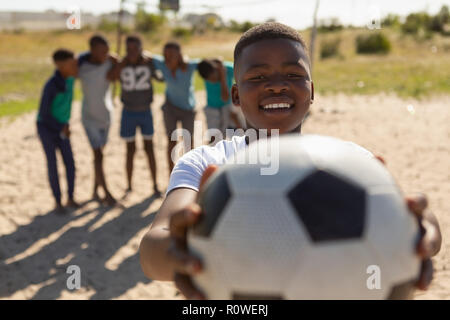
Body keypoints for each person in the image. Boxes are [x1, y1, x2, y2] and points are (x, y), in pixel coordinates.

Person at [139, 23, 442, 299]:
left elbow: (418, 219)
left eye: (293, 75)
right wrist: (178, 252)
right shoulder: (207, 162)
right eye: (257, 76)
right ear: (235, 94)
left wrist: (420, 228)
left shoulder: (349, 165)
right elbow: (153, 247)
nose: (276, 85)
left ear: (311, 91)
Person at [111, 35, 162, 197]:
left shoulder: (148, 63)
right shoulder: (122, 64)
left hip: (146, 111)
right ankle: (129, 185)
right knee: (130, 149)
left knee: (149, 148)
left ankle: (155, 185)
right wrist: (119, 64)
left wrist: (152, 60)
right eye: (129, 49)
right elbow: (112, 77)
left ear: (141, 48)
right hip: (128, 111)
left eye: (135, 49)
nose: (132, 52)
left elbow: (161, 78)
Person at [37, 49, 79, 212]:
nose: (76, 66)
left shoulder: (69, 78)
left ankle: (71, 197)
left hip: (63, 127)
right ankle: (58, 202)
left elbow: (83, 56)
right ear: (60, 65)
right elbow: (44, 113)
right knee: (53, 164)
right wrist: (62, 128)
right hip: (47, 128)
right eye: (72, 64)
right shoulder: (52, 86)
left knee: (70, 163)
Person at [78, 34, 117, 205]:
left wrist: (116, 60)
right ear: (92, 50)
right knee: (98, 154)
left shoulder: (110, 63)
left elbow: (119, 67)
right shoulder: (81, 65)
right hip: (89, 118)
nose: (105, 55)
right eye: (102, 51)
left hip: (106, 116)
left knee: (99, 156)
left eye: (107, 52)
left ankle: (95, 190)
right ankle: (107, 194)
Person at [151, 42, 199, 174]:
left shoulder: (189, 66)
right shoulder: (161, 64)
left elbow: (207, 63)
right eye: (166, 55)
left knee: (188, 142)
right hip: (170, 108)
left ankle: (190, 173)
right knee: (171, 141)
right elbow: (147, 56)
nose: (168, 58)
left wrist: (186, 59)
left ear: (179, 55)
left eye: (172, 55)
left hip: (188, 109)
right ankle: (171, 174)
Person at [197, 58, 236, 142]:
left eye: (214, 78)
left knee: (227, 135)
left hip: (227, 106)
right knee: (213, 137)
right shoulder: (205, 71)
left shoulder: (229, 69)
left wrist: (222, 77)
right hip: (211, 108)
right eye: (209, 80)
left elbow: (225, 98)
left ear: (216, 69)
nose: (212, 81)